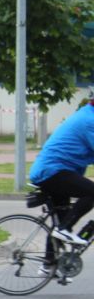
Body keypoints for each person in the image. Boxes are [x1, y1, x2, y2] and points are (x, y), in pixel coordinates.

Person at [29, 100, 94, 262]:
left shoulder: (86, 115)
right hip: (53, 171)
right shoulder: (89, 121)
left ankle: (47, 265)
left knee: (63, 219)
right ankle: (63, 228)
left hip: (53, 171)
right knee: (91, 193)